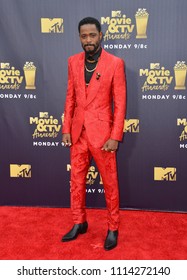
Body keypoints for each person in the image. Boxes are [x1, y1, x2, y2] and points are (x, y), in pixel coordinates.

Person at [61, 17, 126, 250]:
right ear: (79, 37)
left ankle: (113, 227)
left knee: (110, 183)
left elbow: (120, 103)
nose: (88, 40)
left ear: (101, 35)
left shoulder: (115, 63)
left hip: (103, 135)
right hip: (78, 133)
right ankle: (79, 222)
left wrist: (115, 136)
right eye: (83, 36)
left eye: (92, 35)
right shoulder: (72, 62)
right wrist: (66, 128)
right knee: (76, 181)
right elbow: (70, 97)